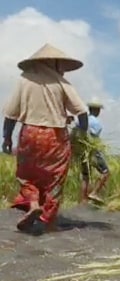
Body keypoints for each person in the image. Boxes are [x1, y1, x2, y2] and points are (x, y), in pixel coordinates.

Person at [2, 43, 89, 235]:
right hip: (55, 137)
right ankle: (49, 223)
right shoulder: (61, 83)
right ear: (54, 63)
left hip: (30, 134)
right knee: (55, 180)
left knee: (26, 175)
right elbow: (82, 112)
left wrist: (6, 138)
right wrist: (82, 136)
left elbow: (10, 115)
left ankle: (33, 204)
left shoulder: (25, 80)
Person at [77, 98, 110, 204]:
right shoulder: (96, 123)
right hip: (93, 151)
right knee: (105, 172)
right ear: (96, 110)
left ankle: (83, 201)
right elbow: (93, 138)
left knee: (85, 176)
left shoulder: (81, 121)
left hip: (82, 151)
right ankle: (94, 193)